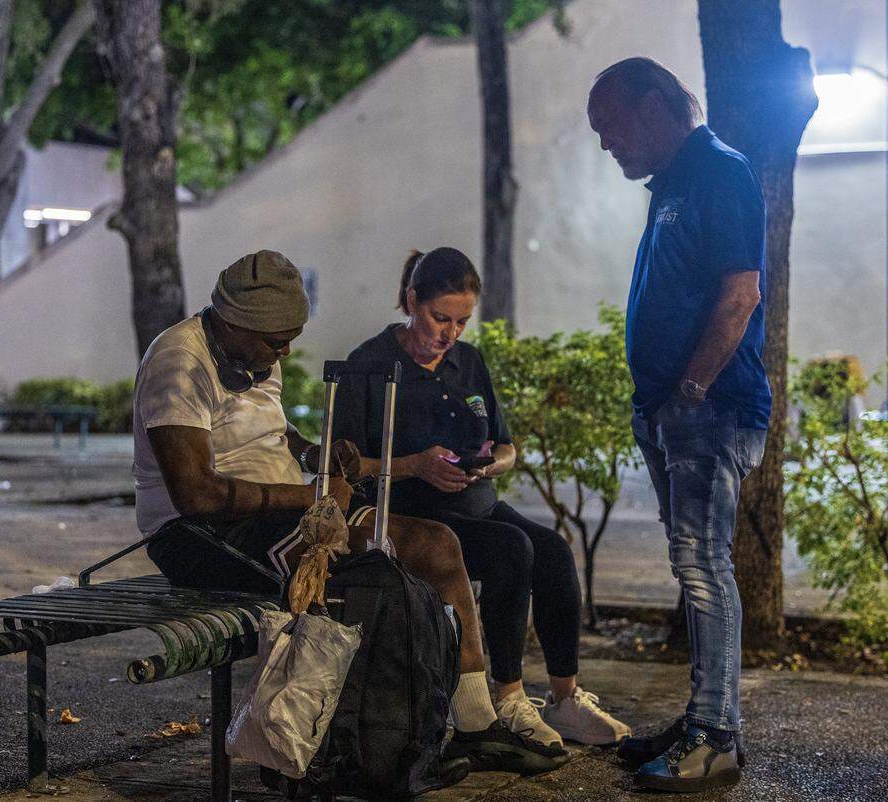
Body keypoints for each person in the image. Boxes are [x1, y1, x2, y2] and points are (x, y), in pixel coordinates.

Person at [132, 250, 567, 778]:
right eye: (276, 340)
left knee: (435, 545)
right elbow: (196, 494)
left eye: (292, 335)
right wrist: (311, 498)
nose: (286, 351)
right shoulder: (179, 361)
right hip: (201, 536)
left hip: (274, 512)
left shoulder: (252, 354)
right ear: (234, 322)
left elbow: (269, 434)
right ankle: (359, 749)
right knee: (372, 575)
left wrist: (314, 454)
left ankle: (474, 724)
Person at [332, 247, 632, 750]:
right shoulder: (371, 365)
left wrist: (493, 463)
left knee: (554, 552)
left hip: (478, 501)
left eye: (462, 322)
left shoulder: (468, 361)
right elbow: (344, 466)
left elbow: (508, 444)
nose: (450, 334)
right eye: (439, 318)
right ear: (411, 300)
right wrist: (414, 464)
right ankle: (509, 698)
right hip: (415, 515)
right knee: (511, 548)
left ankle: (565, 699)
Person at [587, 58, 769, 793]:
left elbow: (740, 295)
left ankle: (716, 737)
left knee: (702, 565)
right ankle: (701, 718)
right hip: (674, 409)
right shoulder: (674, 181)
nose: (607, 144)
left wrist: (691, 388)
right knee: (690, 566)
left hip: (708, 409)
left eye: (613, 125)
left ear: (659, 106)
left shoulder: (719, 171)